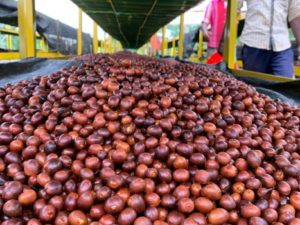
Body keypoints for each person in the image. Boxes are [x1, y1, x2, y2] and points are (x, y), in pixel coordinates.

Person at [238, 0, 300, 78]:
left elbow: (295, 14)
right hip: (253, 44)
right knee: (255, 85)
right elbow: (234, 8)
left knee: (285, 83)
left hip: (281, 45)